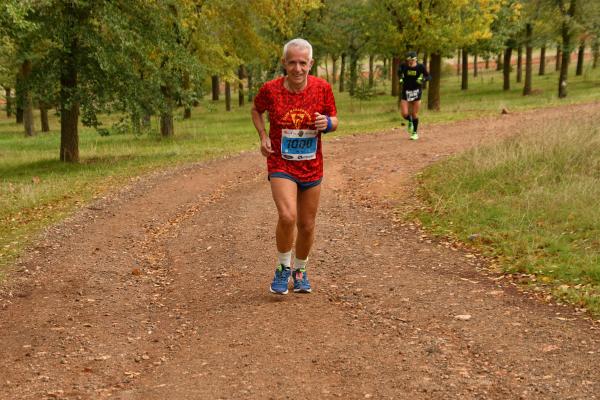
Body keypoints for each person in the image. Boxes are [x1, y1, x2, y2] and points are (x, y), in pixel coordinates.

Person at [251, 38, 338, 295]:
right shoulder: (271, 89)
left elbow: (334, 119)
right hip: (281, 161)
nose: (297, 68)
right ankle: (282, 268)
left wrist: (327, 123)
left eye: (302, 63)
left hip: (312, 165)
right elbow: (256, 110)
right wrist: (263, 136)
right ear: (284, 63)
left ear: (311, 63)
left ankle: (300, 270)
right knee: (288, 216)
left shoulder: (322, 88)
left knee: (307, 224)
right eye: (292, 62)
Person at [398, 51, 431, 140]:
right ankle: (410, 121)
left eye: (411, 60)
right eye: (408, 60)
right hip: (406, 91)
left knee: (414, 113)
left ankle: (414, 133)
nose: (410, 62)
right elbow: (399, 71)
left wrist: (423, 79)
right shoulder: (404, 65)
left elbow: (429, 76)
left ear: (415, 59)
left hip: (416, 91)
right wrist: (401, 77)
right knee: (404, 114)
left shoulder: (420, 67)